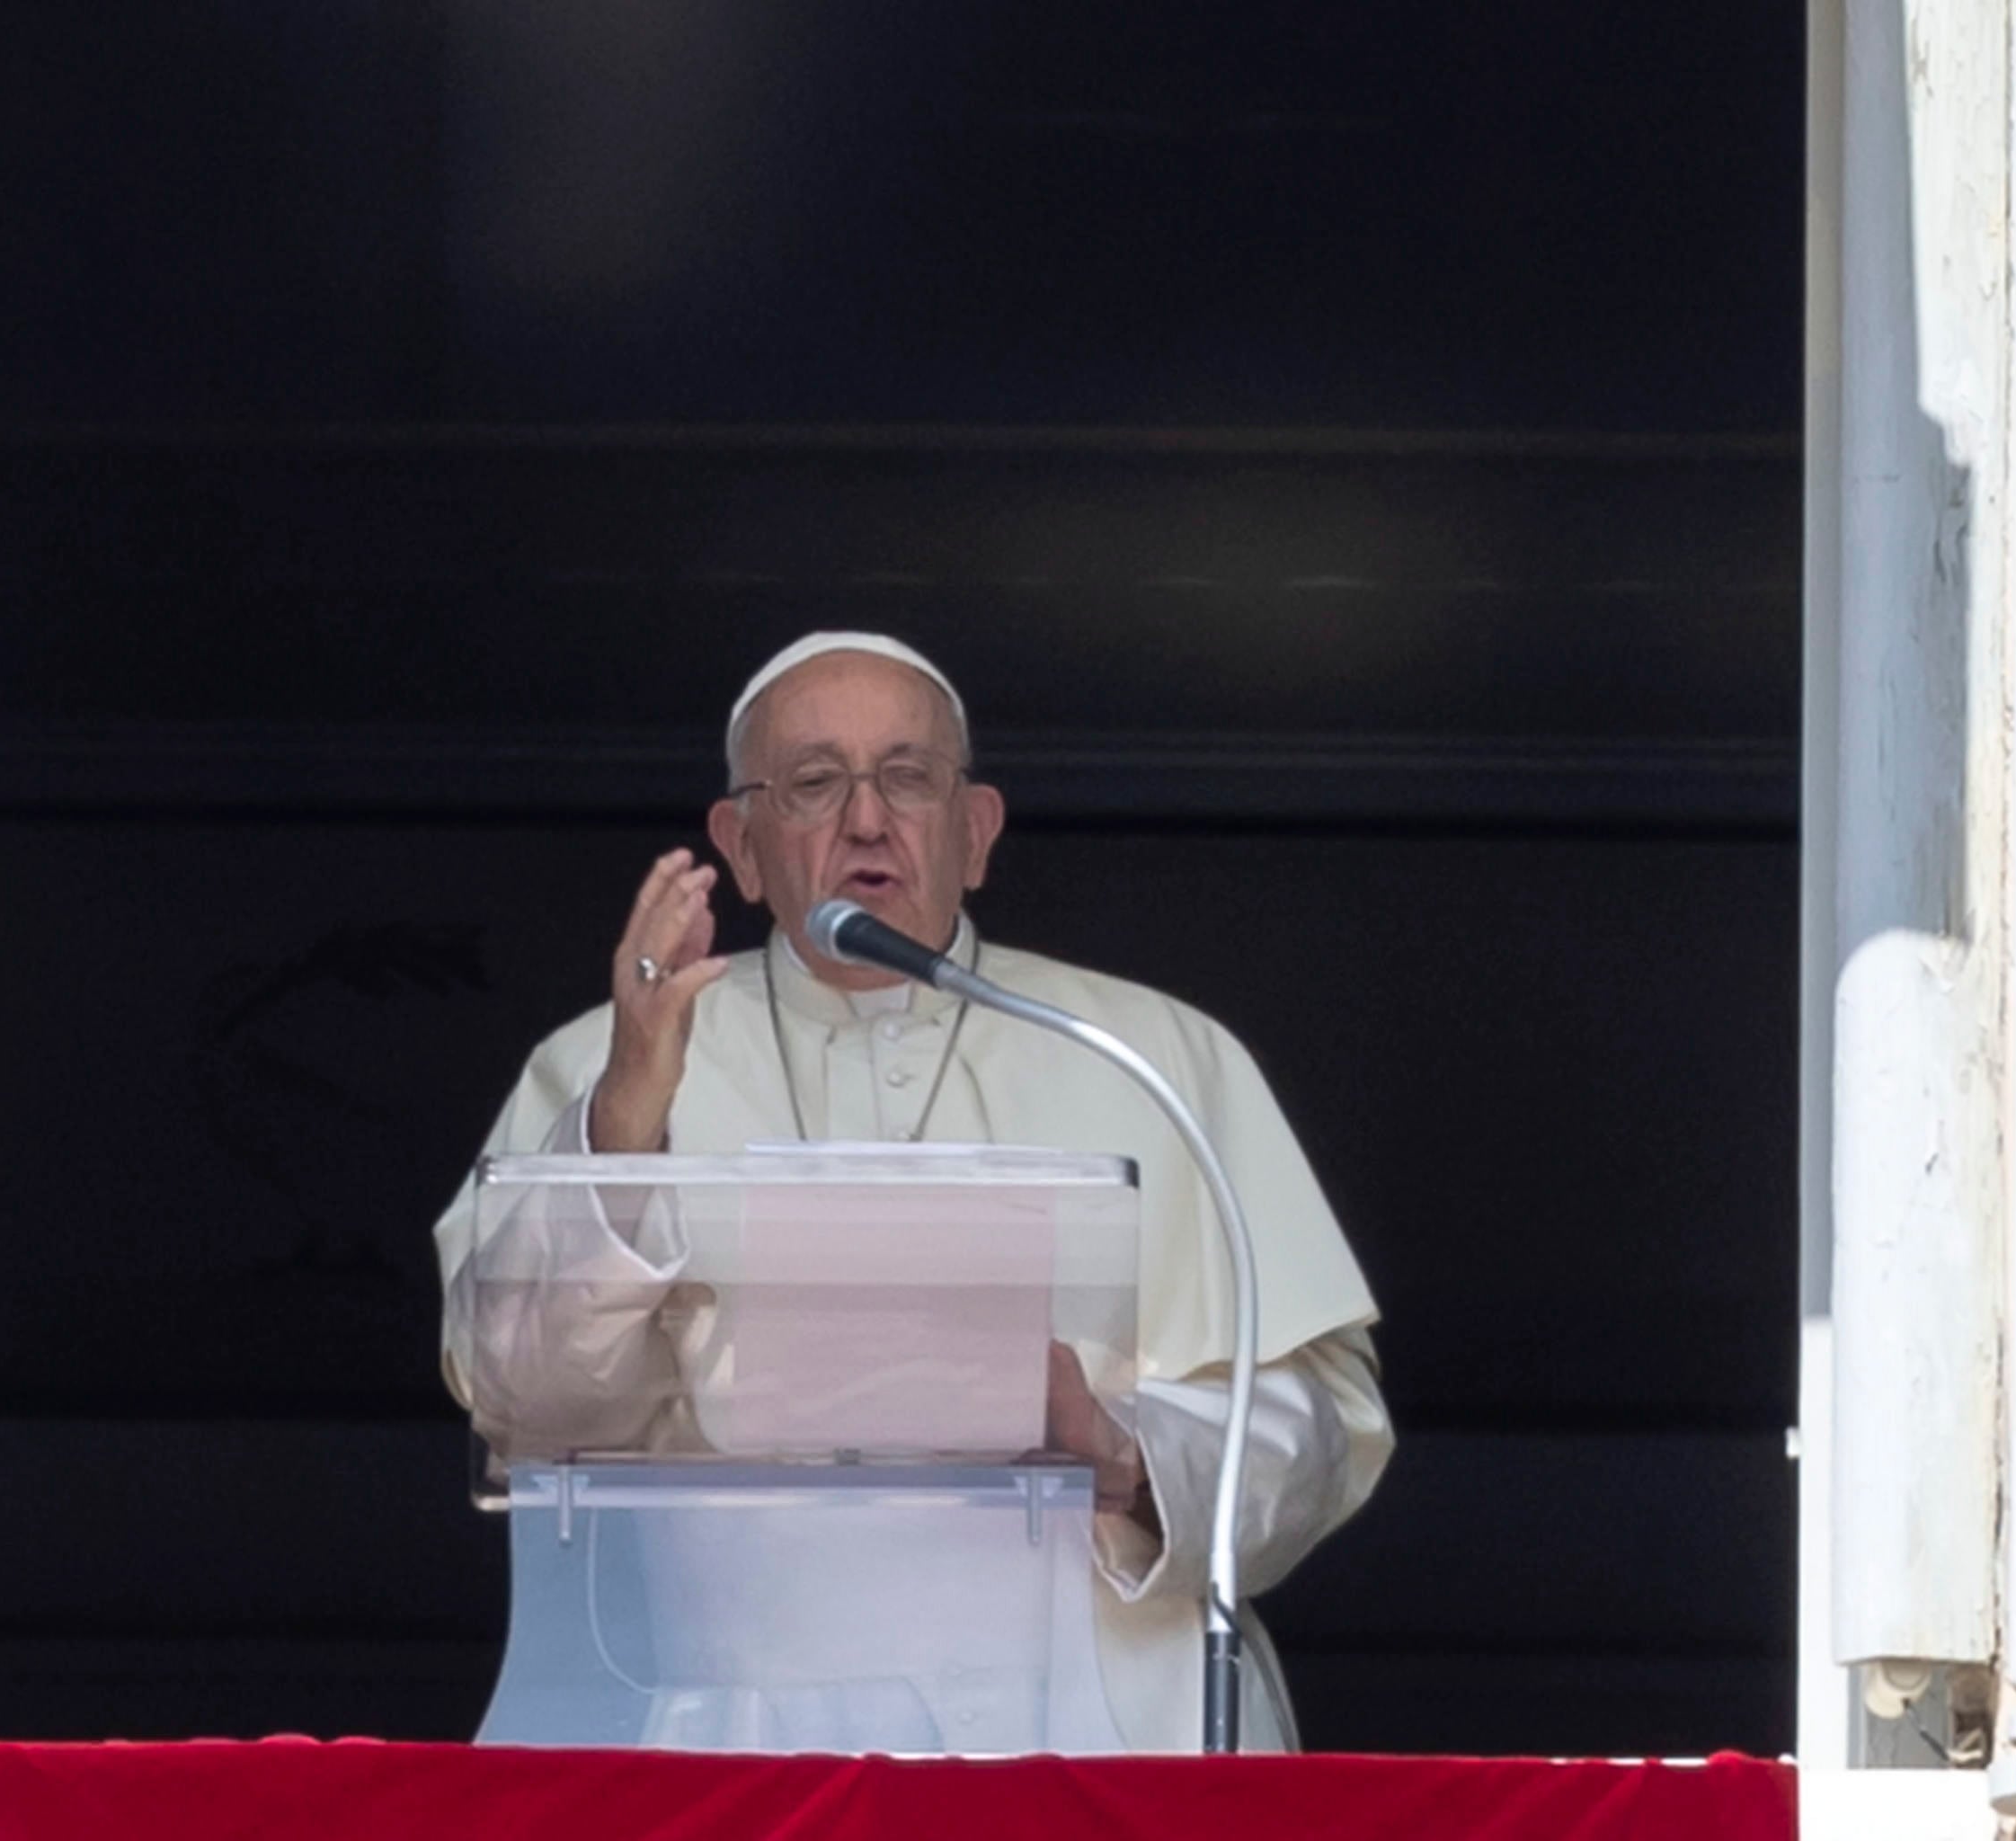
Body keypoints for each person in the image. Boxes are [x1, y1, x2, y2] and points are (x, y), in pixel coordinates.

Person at [433, 631, 1390, 1752]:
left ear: (975, 831)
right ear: (741, 847)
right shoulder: (606, 1064)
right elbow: (524, 1404)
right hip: (740, 1737)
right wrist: (630, 1115)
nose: (868, 819)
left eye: (907, 775)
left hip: (1108, 1731)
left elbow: (1330, 1420)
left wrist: (1118, 1439)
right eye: (813, 782)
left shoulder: (1154, 1053)